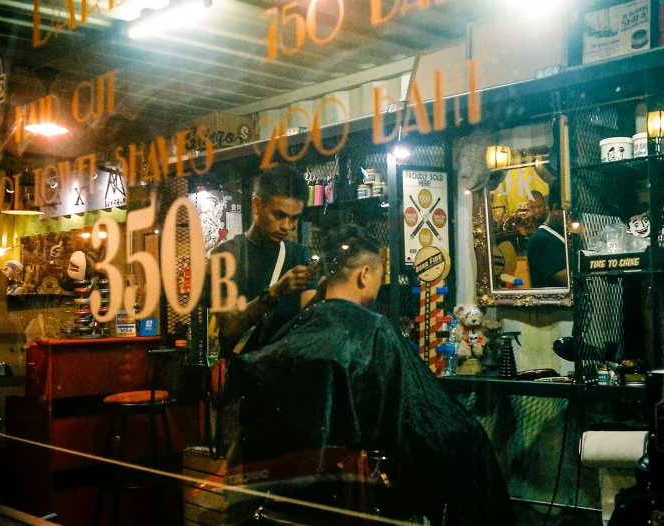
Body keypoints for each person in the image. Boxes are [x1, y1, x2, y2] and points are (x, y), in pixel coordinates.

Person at [223, 225, 515, 526]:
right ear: (364, 274)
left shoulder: (299, 330)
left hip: (293, 499)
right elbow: (424, 419)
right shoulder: (374, 331)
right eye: (378, 274)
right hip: (359, 495)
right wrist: (468, 435)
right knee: (469, 441)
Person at [212, 165, 317, 356]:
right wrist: (275, 293)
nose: (287, 226)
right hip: (244, 378)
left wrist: (329, 288)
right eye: (279, 215)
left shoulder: (300, 255)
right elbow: (230, 328)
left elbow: (310, 322)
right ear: (256, 205)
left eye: (294, 218)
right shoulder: (227, 256)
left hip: (287, 374)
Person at [527, 177, 568, 288]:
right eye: (569, 211)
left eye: (538, 206)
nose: (536, 211)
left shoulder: (561, 232)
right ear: (555, 209)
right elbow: (567, 280)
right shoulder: (541, 240)